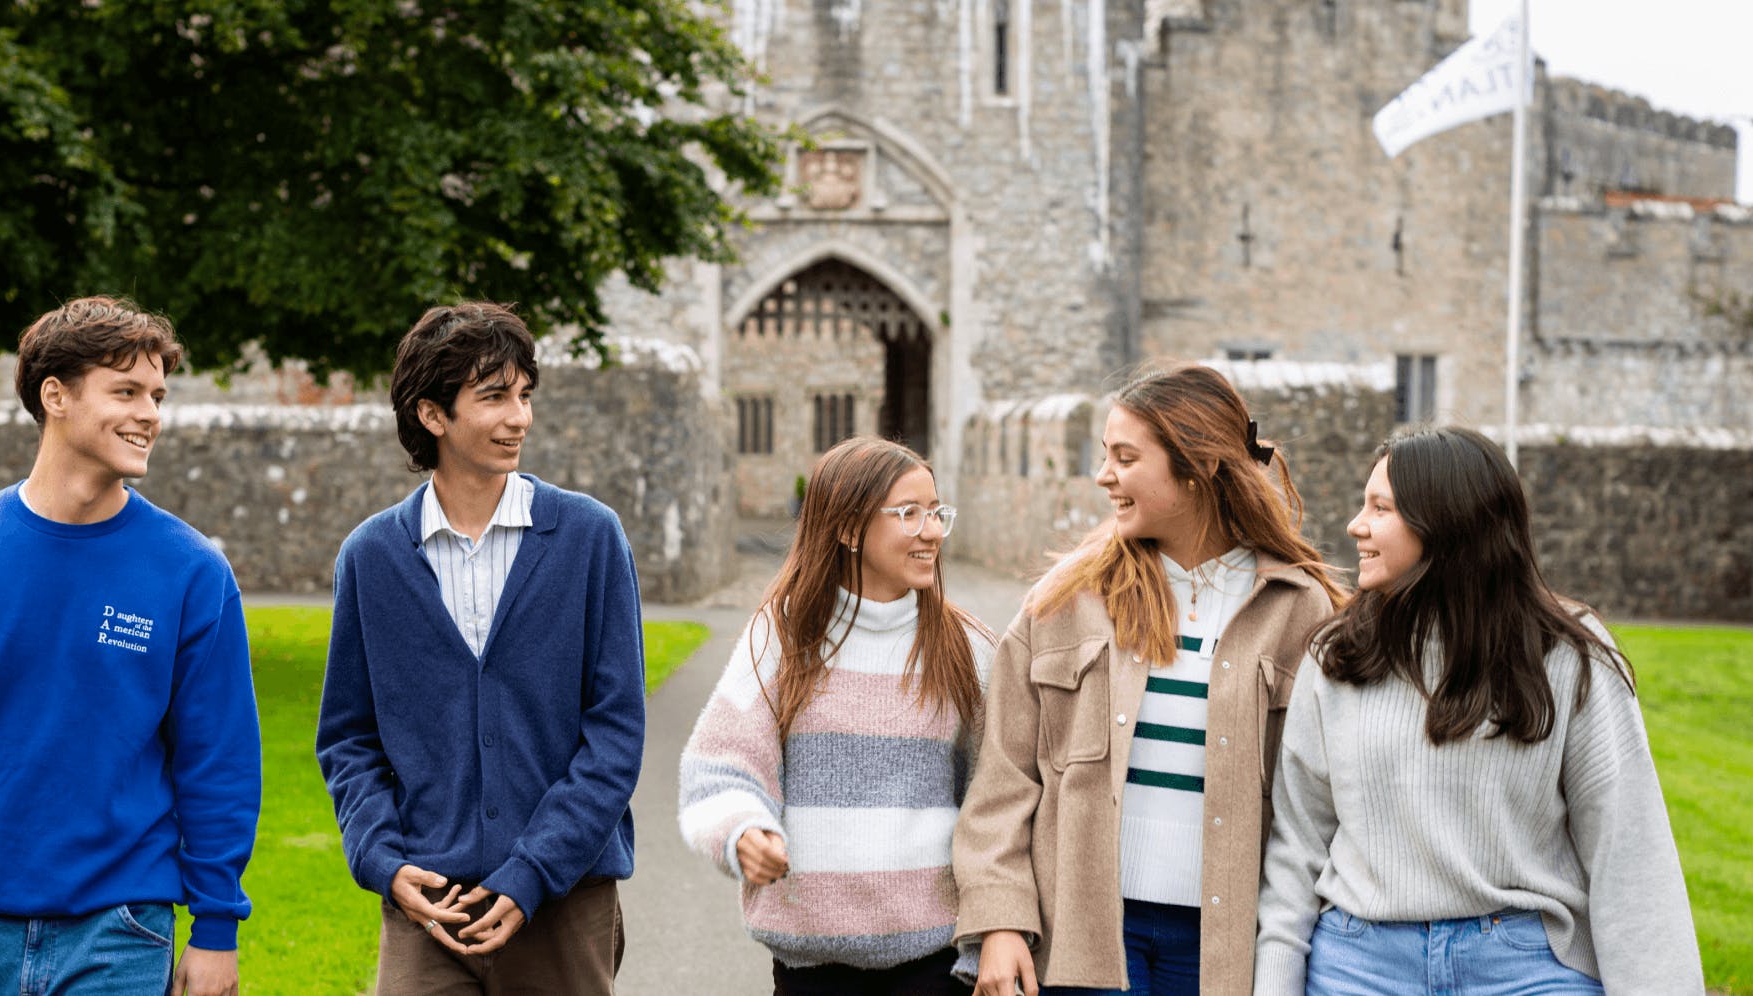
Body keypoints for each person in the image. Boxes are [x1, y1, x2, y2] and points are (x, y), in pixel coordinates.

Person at [0, 296, 262, 996]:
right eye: (125, 391)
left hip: (120, 934)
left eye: (157, 395)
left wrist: (216, 929)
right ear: (54, 395)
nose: (150, 413)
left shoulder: (190, 572)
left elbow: (220, 765)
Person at [1253, 426, 1703, 994]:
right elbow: (1297, 849)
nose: (1355, 525)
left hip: (1525, 966)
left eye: (1380, 508)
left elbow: (1628, 851)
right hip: (1361, 965)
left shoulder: (1569, 655)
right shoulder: (1339, 656)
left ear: (1445, 523)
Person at [954, 363, 1343, 995]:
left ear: (1197, 466)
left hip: (1228, 944)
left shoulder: (1297, 609)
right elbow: (1002, 782)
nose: (1104, 476)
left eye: (1125, 458)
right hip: (1084, 935)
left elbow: (1317, 806)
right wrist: (999, 923)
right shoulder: (1061, 603)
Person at [316, 302, 645, 995]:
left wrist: (533, 872)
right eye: (493, 397)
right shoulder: (371, 557)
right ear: (433, 415)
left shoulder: (589, 538)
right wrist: (381, 858)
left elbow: (615, 736)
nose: (519, 417)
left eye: (524, 395)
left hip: (564, 899)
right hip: (427, 909)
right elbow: (348, 739)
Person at [679, 437, 997, 996]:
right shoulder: (781, 638)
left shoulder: (968, 649)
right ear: (848, 528)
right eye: (909, 513)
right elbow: (719, 768)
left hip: (934, 961)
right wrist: (743, 830)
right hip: (810, 966)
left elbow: (997, 801)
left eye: (936, 511)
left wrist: (991, 936)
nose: (932, 531)